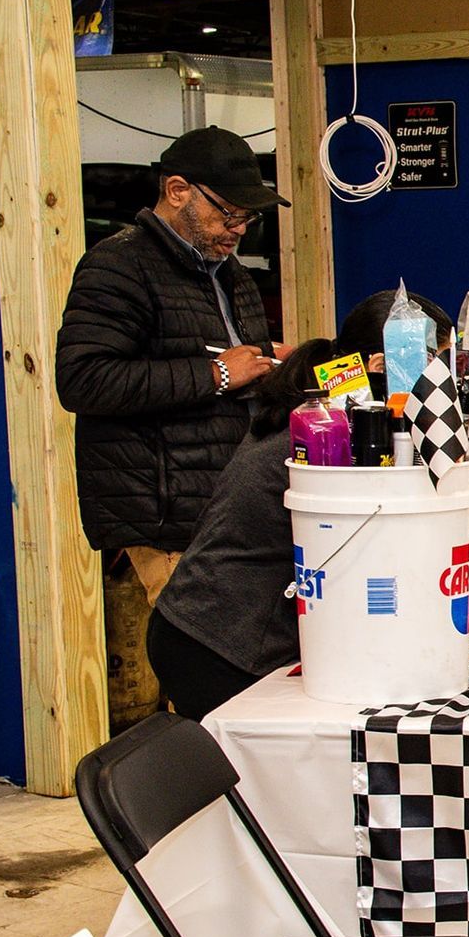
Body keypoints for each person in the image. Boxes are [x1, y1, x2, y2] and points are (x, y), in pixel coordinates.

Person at [148, 300, 469, 721]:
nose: (450, 385)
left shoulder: (332, 420)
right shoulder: (337, 445)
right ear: (387, 365)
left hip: (229, 634)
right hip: (216, 647)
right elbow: (440, 571)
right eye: (438, 366)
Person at [56, 126, 291, 606]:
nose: (240, 228)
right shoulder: (119, 265)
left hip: (228, 510)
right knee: (208, 668)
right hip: (171, 522)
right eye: (227, 213)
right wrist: (217, 375)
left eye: (247, 217)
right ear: (178, 190)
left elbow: (231, 367)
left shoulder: (233, 274)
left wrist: (280, 365)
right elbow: (82, 380)